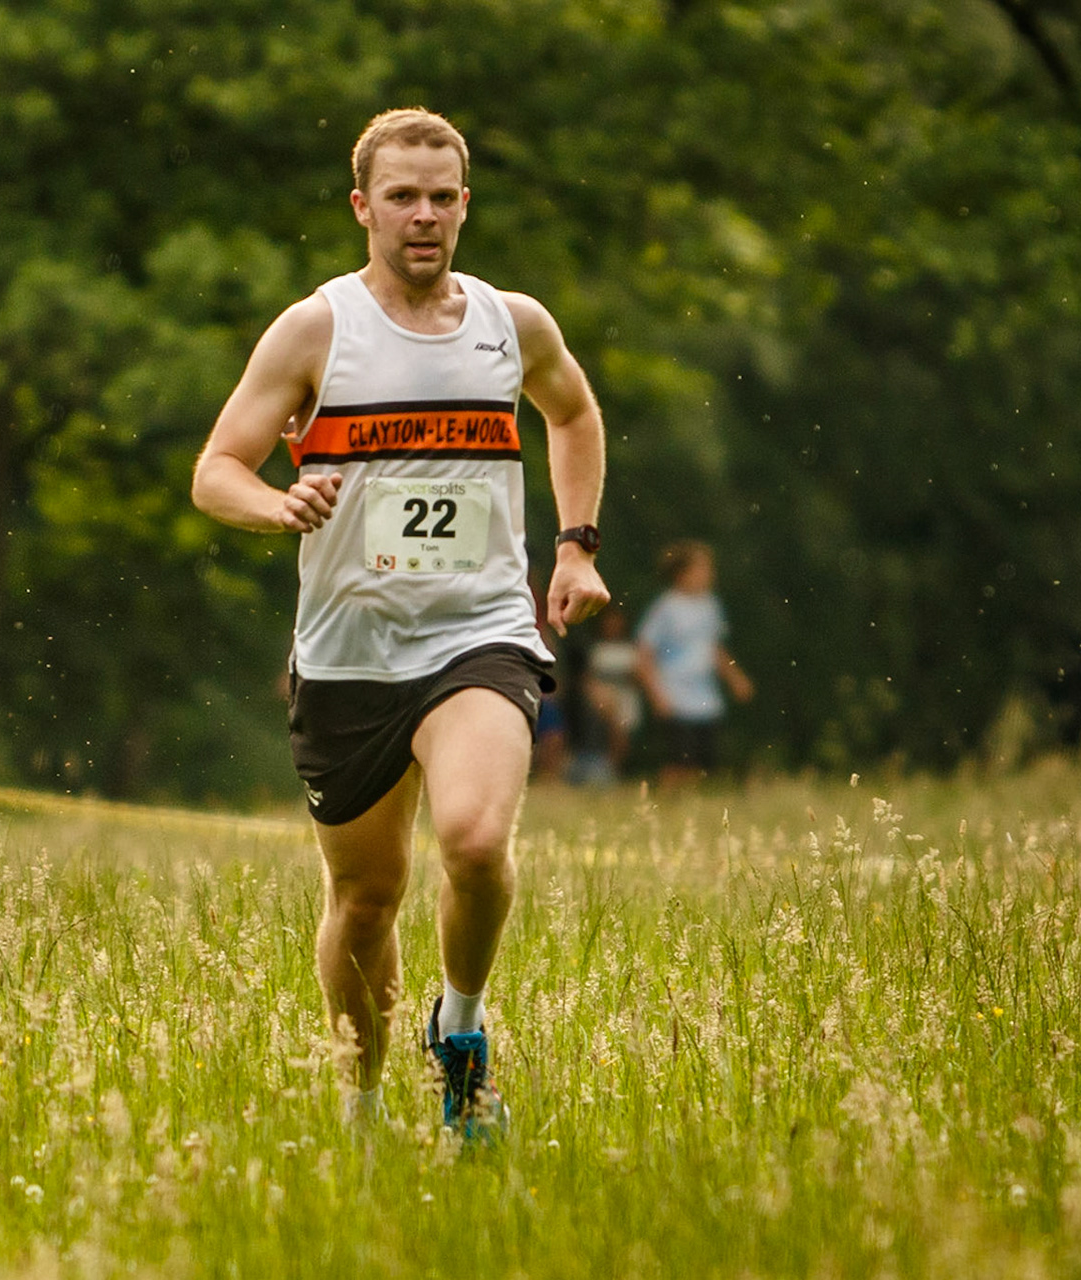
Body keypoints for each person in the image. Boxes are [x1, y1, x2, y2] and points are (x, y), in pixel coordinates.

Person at [190, 108, 610, 1139]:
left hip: (480, 632)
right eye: (401, 196)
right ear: (363, 208)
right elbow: (217, 469)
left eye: (440, 196)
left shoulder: (512, 323)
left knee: (475, 840)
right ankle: (364, 1109)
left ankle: (458, 1029)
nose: (423, 214)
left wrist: (575, 546)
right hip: (349, 651)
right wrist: (277, 505)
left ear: (464, 206)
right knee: (367, 899)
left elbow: (572, 412)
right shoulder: (316, 329)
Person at [635, 541, 753, 787]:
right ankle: (667, 802)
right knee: (679, 759)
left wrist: (736, 678)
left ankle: (695, 803)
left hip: (706, 698)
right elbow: (645, 653)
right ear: (682, 573)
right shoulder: (666, 608)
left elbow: (715, 648)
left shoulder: (710, 606)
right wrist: (657, 695)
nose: (708, 574)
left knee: (704, 760)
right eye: (701, 568)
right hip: (676, 695)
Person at [567, 604, 642, 785]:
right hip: (598, 702)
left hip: (625, 701)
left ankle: (614, 772)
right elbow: (586, 679)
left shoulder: (631, 649)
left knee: (620, 729)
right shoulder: (594, 648)